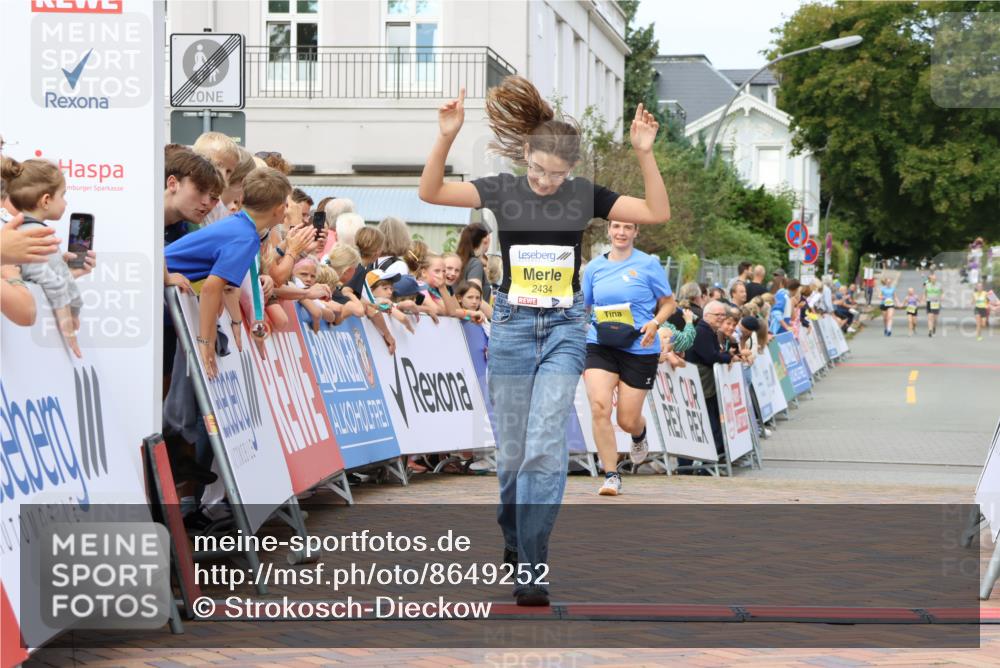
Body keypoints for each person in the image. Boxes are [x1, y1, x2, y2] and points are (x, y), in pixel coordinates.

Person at [418, 76, 670, 606]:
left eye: (556, 175)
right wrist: (445, 136)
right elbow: (431, 192)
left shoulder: (585, 196)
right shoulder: (502, 189)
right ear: (526, 153)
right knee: (512, 455)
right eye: (537, 169)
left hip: (562, 327)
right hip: (510, 326)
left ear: (572, 170)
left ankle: (533, 566)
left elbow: (655, 213)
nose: (545, 182)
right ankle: (515, 536)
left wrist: (644, 153)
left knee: (544, 448)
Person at [582, 220, 675, 496]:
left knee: (626, 419)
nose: (621, 232)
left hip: (639, 346)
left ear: (636, 232)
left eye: (628, 227)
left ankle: (639, 432)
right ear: (609, 230)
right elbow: (584, 306)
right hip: (601, 343)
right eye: (616, 227)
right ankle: (611, 475)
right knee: (599, 407)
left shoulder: (648, 264)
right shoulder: (595, 268)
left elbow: (669, 303)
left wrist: (655, 324)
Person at [1, 157, 90, 356]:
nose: (65, 202)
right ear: (46, 200)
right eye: (63, 195)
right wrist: (70, 323)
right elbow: (55, 282)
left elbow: (55, 276)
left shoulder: (15, 234)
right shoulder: (36, 238)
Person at [456, 221, 493, 303]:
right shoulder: (475, 264)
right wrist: (492, 314)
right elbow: (474, 296)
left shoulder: (456, 260)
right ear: (485, 240)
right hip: (472, 314)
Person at [923, 272, 942, 337]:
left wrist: (941, 297)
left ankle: (934, 327)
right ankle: (930, 330)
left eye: (935, 279)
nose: (933, 280)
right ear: (930, 279)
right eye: (932, 279)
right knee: (930, 317)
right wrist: (924, 299)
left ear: (936, 279)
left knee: (935, 318)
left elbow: (942, 292)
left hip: (936, 302)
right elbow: (925, 293)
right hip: (929, 302)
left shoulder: (939, 285)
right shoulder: (927, 285)